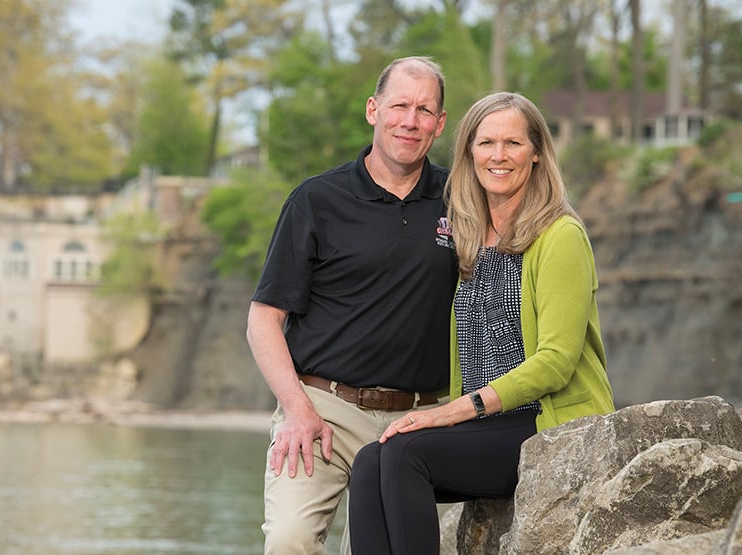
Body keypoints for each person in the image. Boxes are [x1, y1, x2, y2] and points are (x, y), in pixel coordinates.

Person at [348, 91, 616, 554]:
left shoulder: (560, 235)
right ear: (468, 154)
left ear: (536, 154)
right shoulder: (469, 238)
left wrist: (451, 411)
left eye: (512, 143)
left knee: (404, 455)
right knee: (370, 461)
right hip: (491, 427)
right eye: (486, 142)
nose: (498, 155)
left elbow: (556, 361)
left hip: (549, 423)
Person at [246, 56, 457, 555]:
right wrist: (297, 409)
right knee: (289, 541)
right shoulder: (317, 200)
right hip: (323, 410)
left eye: (424, 110)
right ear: (373, 110)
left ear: (440, 124)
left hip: (416, 422)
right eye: (399, 105)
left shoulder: (460, 199)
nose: (410, 120)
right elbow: (263, 319)